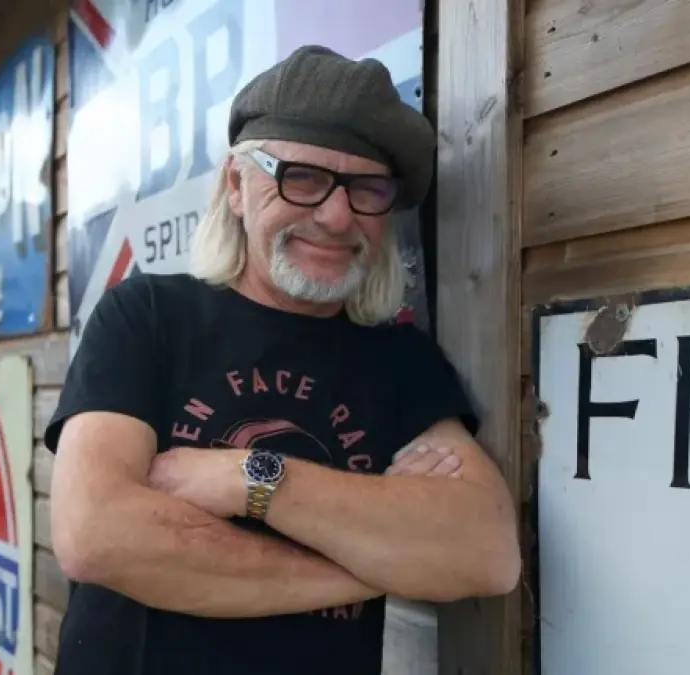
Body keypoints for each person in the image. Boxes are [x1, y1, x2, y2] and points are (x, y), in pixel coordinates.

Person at [44, 45, 521, 675]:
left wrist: (248, 478)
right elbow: (96, 533)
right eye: (302, 178)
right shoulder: (148, 316)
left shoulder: (399, 362)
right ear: (236, 187)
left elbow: (486, 553)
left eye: (368, 189)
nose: (337, 216)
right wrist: (370, 564)